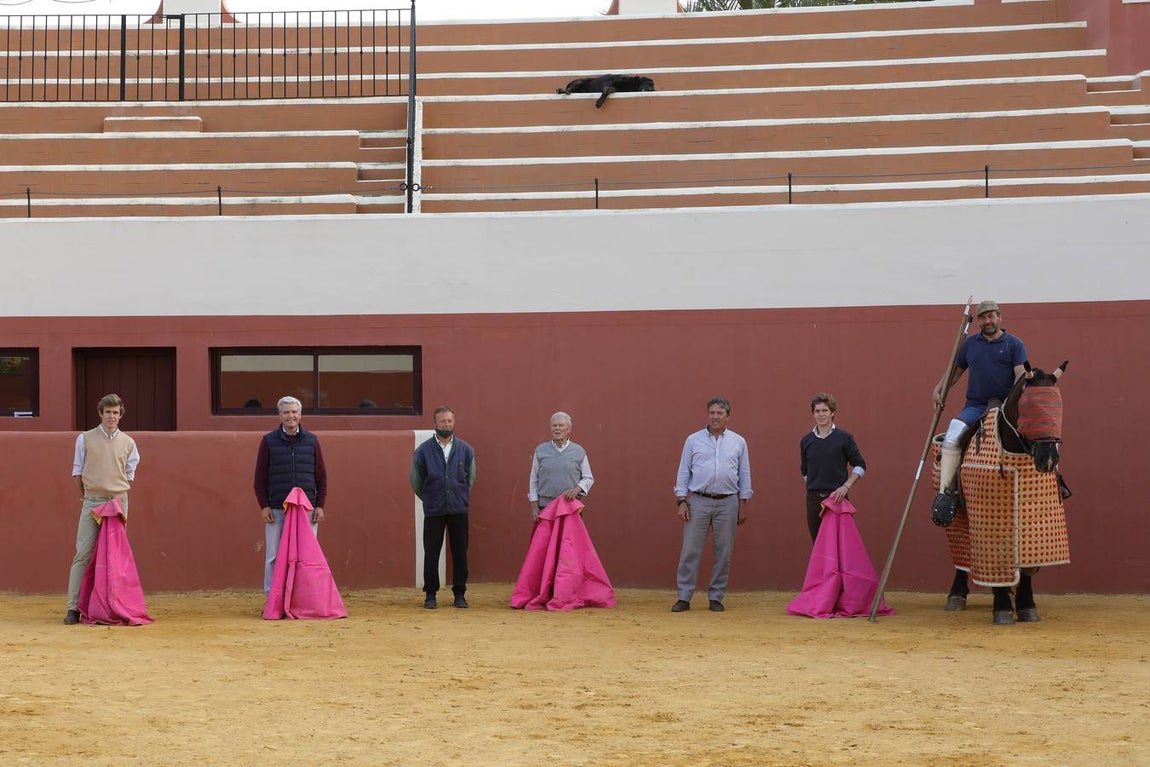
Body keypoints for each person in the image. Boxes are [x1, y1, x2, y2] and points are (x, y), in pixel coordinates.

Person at [930, 299, 1028, 609]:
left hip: (1004, 407)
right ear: (980, 319)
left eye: (992, 315)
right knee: (951, 439)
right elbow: (956, 373)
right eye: (983, 316)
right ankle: (947, 492)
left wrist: (1010, 407)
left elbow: (1020, 377)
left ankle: (1050, 484)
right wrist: (940, 387)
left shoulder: (1014, 344)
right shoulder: (969, 344)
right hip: (974, 405)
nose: (988, 319)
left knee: (1034, 441)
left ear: (1000, 317)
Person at [64, 393, 140, 625]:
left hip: (117, 502)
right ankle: (73, 608)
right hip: (93, 500)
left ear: (120, 415)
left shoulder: (128, 443)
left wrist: (116, 493)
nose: (111, 416)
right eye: (108, 412)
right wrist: (86, 497)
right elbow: (77, 471)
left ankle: (111, 606)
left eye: (115, 412)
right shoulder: (85, 438)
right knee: (83, 553)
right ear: (100, 413)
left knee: (114, 557)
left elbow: (129, 475)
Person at [672, 396, 752, 613]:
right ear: (707, 415)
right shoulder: (693, 440)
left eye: (720, 413)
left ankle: (716, 596)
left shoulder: (738, 442)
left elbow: (744, 473)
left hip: (727, 502)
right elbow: (683, 471)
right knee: (690, 549)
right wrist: (681, 500)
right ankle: (684, 596)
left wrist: (743, 502)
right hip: (698, 500)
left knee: (723, 551)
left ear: (728, 416)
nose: (715, 417)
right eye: (712, 413)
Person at [254, 396, 326, 594]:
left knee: (307, 555)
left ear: (300, 415)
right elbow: (259, 477)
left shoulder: (312, 440)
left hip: (307, 509)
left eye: (294, 412)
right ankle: (272, 596)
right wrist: (264, 505)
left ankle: (305, 596)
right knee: (274, 556)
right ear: (279, 415)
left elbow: (321, 476)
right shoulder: (268, 441)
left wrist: (320, 505)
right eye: (286, 412)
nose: (290, 416)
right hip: (277, 507)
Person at [411, 406, 476, 610]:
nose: (446, 424)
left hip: (458, 508)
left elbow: (470, 479)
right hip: (434, 509)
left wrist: (459, 496)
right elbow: (416, 481)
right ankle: (430, 594)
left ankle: (459, 594)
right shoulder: (422, 451)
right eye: (442, 421)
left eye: (449, 421)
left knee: (460, 553)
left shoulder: (466, 449)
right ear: (435, 423)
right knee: (431, 553)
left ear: (454, 422)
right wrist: (430, 497)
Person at [800, 392, 866, 543]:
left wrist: (846, 487)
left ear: (832, 413)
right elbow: (804, 471)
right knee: (818, 545)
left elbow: (860, 465)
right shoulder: (806, 441)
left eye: (825, 411)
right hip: (813, 502)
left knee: (840, 544)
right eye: (817, 411)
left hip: (837, 499)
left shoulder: (844, 438)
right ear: (813, 414)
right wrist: (816, 486)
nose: (821, 415)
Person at [527, 411, 594, 522]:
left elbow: (588, 478)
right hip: (546, 508)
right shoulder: (540, 451)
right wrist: (534, 506)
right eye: (554, 425)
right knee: (548, 540)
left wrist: (576, 490)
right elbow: (534, 479)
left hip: (571, 508)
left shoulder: (579, 451)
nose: (557, 428)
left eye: (561, 425)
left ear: (568, 429)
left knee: (569, 540)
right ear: (551, 429)